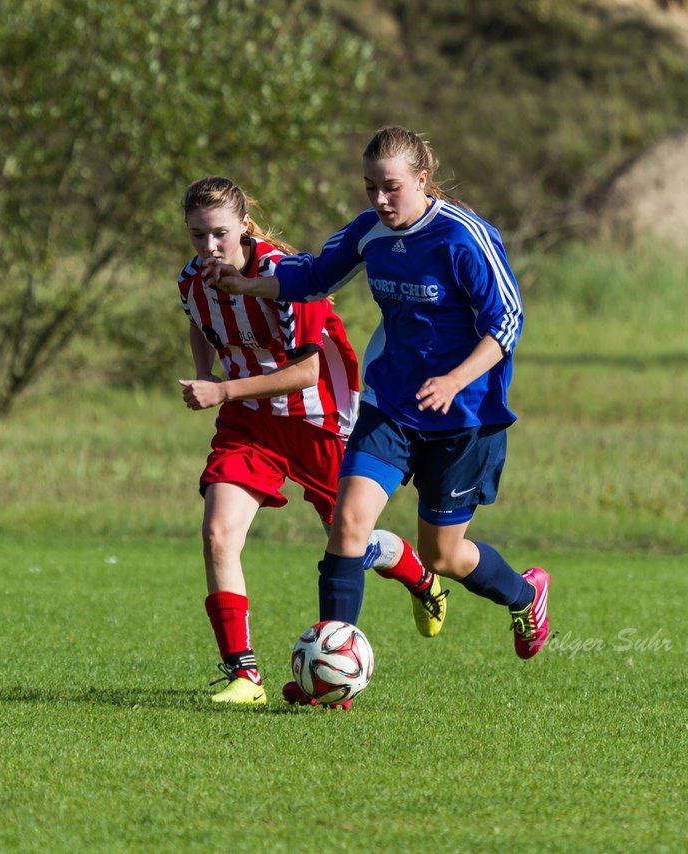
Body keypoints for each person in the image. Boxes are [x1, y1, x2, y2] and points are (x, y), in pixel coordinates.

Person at [204, 127, 551, 707]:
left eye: (391, 188)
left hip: (464, 417)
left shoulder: (463, 238)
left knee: (444, 555)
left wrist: (455, 379)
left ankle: (523, 596)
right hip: (390, 406)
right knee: (348, 524)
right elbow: (312, 276)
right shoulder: (370, 232)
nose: (380, 201)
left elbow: (507, 322)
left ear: (422, 179)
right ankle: (328, 676)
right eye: (370, 189)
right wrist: (248, 284)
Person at [178, 175, 448, 707]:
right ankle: (244, 677)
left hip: (319, 420)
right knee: (217, 534)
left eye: (219, 234)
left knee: (351, 543)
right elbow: (198, 322)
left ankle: (420, 577)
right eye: (196, 235)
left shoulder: (288, 277)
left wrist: (222, 388)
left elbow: (304, 374)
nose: (209, 247)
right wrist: (203, 371)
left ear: (245, 227)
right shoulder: (191, 281)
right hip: (250, 423)